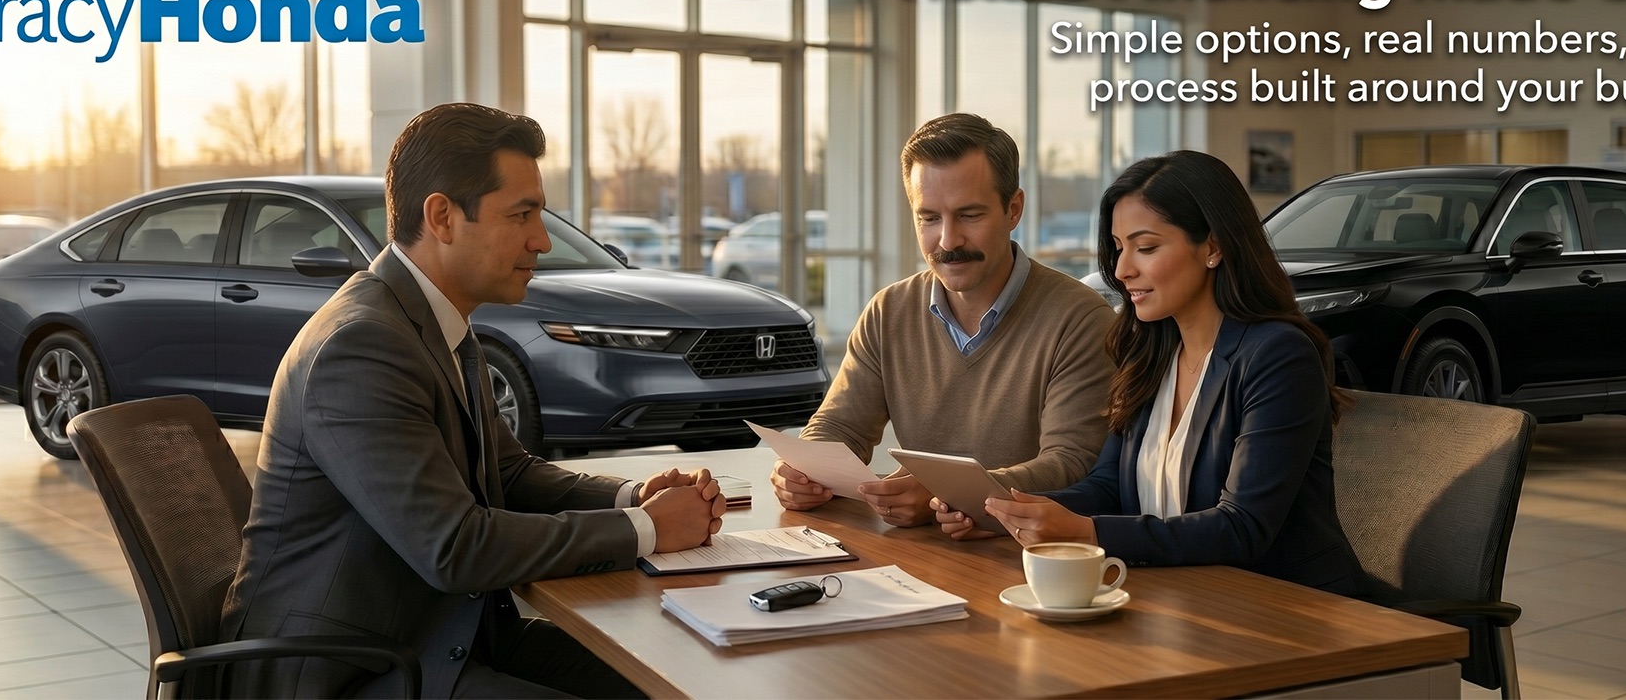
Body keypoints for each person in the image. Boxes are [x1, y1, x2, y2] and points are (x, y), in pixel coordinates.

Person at [220, 103, 725, 698]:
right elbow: (455, 547)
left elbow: (505, 473)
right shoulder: (359, 347)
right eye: (522, 215)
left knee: (666, 680)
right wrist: (643, 529)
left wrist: (631, 496)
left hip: (434, 638)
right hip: (347, 671)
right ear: (442, 217)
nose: (542, 239)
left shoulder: (435, 325)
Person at [934, 150, 1361, 596]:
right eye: (1119, 248)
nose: (1122, 269)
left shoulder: (1278, 355)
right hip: (1180, 600)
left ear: (1213, 247)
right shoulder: (1152, 352)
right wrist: (1012, 512)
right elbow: (1108, 486)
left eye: (1147, 247)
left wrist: (1086, 532)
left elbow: (1243, 528)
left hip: (1288, 607)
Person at [771, 113, 1116, 527]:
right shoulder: (888, 312)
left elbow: (1073, 463)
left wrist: (951, 494)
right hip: (919, 557)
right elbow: (839, 427)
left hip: (1028, 560)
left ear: (1013, 209)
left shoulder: (1079, 319)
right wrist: (803, 471)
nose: (948, 241)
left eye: (969, 215)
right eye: (929, 218)